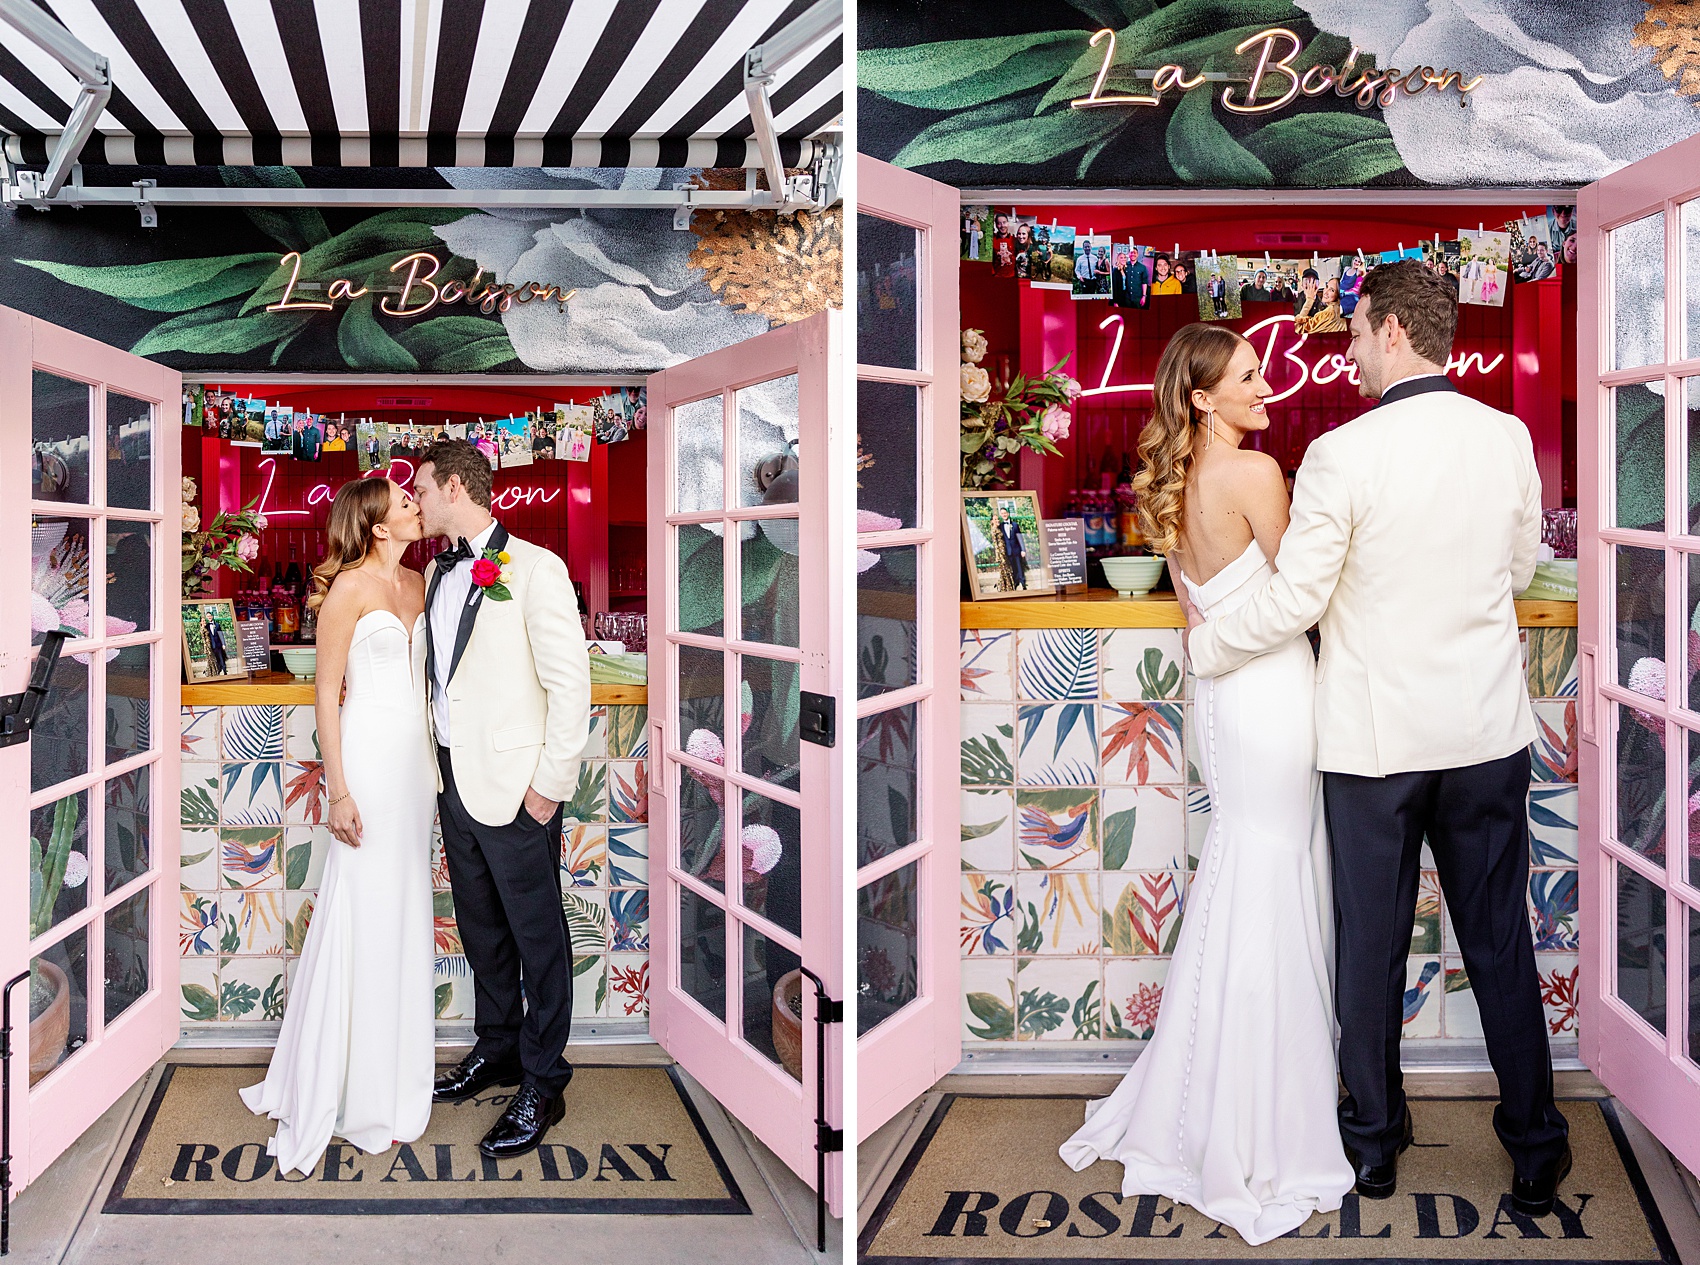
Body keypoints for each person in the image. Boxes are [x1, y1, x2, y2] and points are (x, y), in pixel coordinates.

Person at [1185, 261, 1571, 1217]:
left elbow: (1298, 598)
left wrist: (1212, 638)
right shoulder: (1508, 436)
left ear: (1393, 332)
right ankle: (1533, 1145)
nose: (1346, 349)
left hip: (1370, 747)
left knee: (1371, 951)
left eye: (1355, 331)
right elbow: (1520, 564)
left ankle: (1374, 1145)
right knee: (1498, 944)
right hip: (1485, 732)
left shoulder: (1340, 455)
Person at [1060, 322, 1355, 1244]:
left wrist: (1216, 649)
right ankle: (1265, 1107)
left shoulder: (1173, 485)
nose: (1270, 385)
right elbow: (1311, 587)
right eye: (1250, 375)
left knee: (1243, 866)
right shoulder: (1257, 474)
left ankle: (1207, 1085)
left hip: (1219, 696)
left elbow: (1198, 609)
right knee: (1272, 876)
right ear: (1201, 398)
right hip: (1269, 690)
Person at [241, 476, 434, 1174]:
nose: (416, 503)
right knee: (365, 909)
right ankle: (351, 1086)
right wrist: (340, 788)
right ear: (377, 524)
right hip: (369, 761)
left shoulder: (420, 583)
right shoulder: (349, 589)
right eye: (404, 500)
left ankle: (398, 1077)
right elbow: (326, 692)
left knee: (406, 909)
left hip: (417, 769)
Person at [413, 439, 592, 1159]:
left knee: (537, 938)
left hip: (520, 790)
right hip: (454, 780)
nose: (416, 500)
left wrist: (549, 787)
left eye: (423, 488)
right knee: (481, 928)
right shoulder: (433, 569)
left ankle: (545, 1081)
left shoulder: (538, 568)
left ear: (456, 487)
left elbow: (569, 686)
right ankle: (498, 1048)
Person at [995, 504, 1028, 590]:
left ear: (1008, 513)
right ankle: (1015, 582)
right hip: (1007, 551)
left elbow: (1020, 538)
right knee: (1012, 568)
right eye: (1002, 513)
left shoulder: (1015, 525)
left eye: (1005, 513)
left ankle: (1023, 583)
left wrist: (1023, 550)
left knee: (1019, 566)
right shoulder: (1001, 526)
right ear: (1001, 515)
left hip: (1016, 549)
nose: (1004, 515)